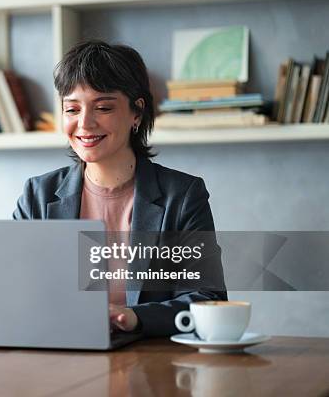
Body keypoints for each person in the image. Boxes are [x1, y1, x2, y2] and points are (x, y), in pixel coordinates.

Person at [12, 40, 227, 338]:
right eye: (72, 109)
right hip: (61, 357)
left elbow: (208, 298)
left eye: (102, 107)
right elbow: (14, 292)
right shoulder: (38, 196)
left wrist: (135, 317)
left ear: (136, 112)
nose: (84, 123)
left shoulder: (183, 195)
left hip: (151, 365)